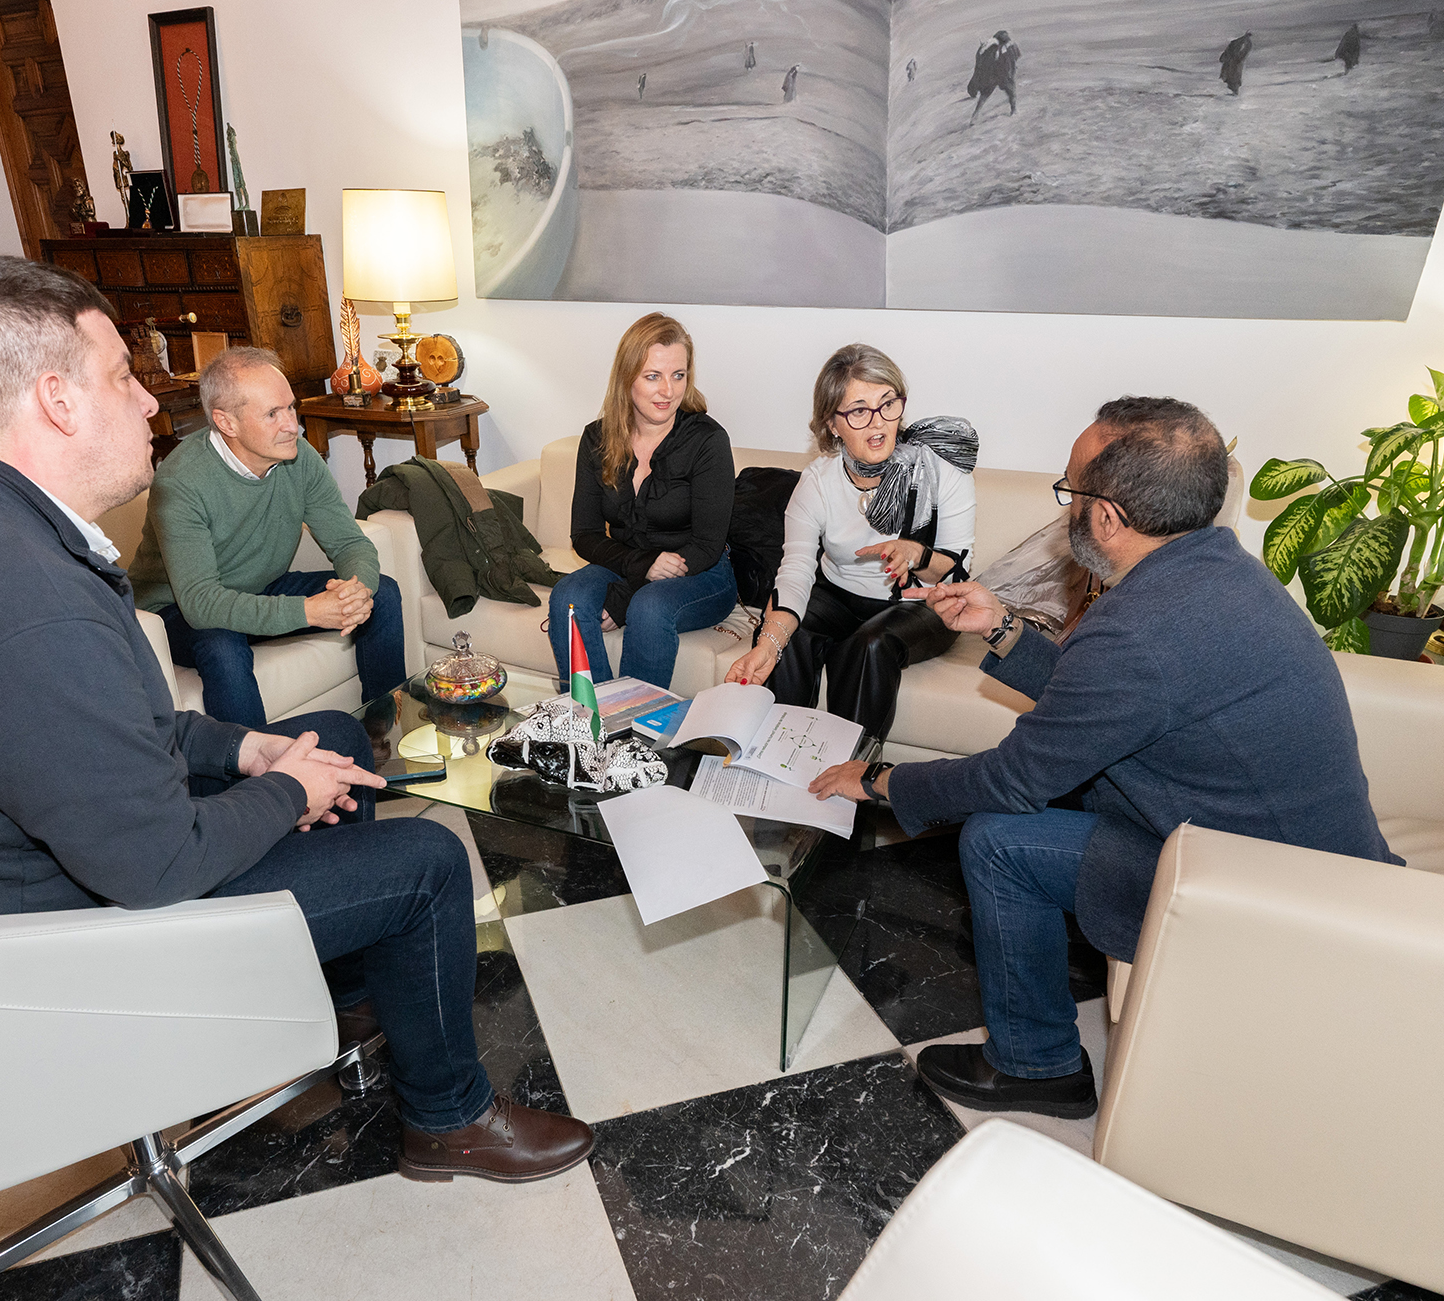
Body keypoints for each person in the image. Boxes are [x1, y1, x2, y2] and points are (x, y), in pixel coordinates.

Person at [0, 255, 593, 1184]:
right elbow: (155, 863)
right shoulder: (17, 601)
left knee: (335, 740)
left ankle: (348, 991)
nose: (150, 403)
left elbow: (121, 727)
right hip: (46, 941)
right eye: (123, 377)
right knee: (426, 862)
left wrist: (247, 746)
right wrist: (286, 792)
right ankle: (448, 1118)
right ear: (56, 401)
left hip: (42, 860)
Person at [809, 397, 1397, 1120]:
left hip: (1263, 890)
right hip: (1297, 852)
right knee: (1066, 790)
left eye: (1071, 492)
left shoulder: (1137, 629)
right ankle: (1044, 956)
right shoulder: (1215, 571)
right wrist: (1002, 626)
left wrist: (878, 779)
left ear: (1110, 518)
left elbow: (1014, 777)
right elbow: (1109, 703)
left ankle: (1037, 1065)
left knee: (997, 840)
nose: (1067, 510)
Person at [129, 346, 404, 728]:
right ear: (226, 423)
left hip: (259, 587)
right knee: (221, 644)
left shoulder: (299, 457)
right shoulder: (180, 483)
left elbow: (349, 543)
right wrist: (309, 611)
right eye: (273, 414)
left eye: (290, 408)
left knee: (382, 593)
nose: (292, 425)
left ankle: (384, 738)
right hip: (174, 610)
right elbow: (200, 603)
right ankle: (259, 764)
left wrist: (356, 591)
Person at [725, 344, 974, 743]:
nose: (879, 423)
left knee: (869, 645)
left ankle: (850, 772)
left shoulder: (940, 470)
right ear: (832, 424)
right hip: (839, 595)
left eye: (887, 404)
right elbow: (796, 570)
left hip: (923, 602)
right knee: (787, 634)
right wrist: (769, 644)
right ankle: (777, 757)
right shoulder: (818, 481)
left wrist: (917, 554)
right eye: (859, 411)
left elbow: (957, 573)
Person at [547, 312, 737, 689]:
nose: (668, 390)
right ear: (627, 377)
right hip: (628, 561)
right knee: (567, 597)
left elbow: (707, 545)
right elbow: (584, 535)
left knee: (648, 607)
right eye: (653, 376)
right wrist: (641, 567)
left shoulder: (708, 441)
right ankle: (590, 716)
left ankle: (636, 724)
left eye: (678, 375)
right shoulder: (597, 438)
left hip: (702, 574)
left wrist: (626, 596)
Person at [968, 30, 1019, 123]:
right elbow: (1012, 61)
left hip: (992, 76)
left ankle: (975, 115)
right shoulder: (1007, 48)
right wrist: (1011, 73)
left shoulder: (987, 48)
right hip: (1002, 75)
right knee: (1011, 92)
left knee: (984, 95)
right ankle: (1014, 110)